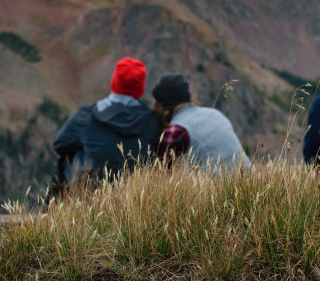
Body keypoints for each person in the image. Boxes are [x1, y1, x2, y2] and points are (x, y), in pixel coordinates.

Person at [47, 57, 159, 200]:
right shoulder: (153, 122)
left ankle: (50, 211)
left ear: (114, 82)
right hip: (136, 198)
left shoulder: (86, 116)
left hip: (92, 194)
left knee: (68, 156)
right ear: (140, 88)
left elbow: (59, 144)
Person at [151, 72, 251, 171]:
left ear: (162, 103)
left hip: (218, 186)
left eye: (156, 101)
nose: (154, 106)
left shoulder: (176, 129)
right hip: (250, 182)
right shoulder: (215, 114)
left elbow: (160, 175)